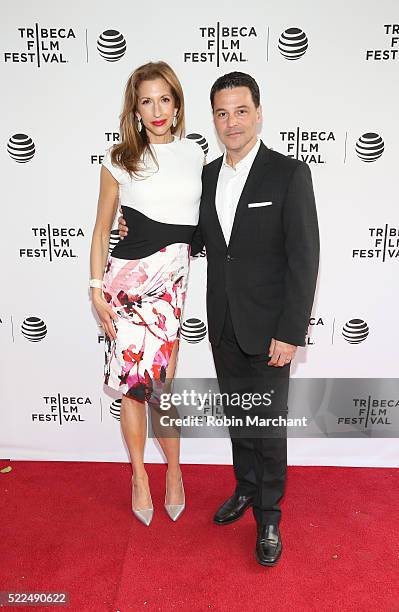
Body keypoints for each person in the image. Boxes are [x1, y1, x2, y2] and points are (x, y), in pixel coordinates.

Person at [118, 71, 319, 565]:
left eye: (241, 111)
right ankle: (246, 489)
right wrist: (133, 225)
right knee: (239, 418)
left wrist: (291, 333)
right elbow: (194, 236)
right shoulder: (206, 175)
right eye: (222, 113)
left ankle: (269, 517)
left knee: (268, 426)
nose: (232, 122)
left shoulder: (288, 173)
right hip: (223, 323)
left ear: (259, 112)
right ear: (213, 118)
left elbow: (305, 258)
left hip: (271, 328)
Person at [89, 61, 204, 526]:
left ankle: (174, 471)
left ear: (177, 106)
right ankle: (139, 474)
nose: (156, 110)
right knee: (134, 392)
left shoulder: (195, 156)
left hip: (171, 288)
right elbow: (101, 231)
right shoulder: (119, 159)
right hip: (127, 286)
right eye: (146, 101)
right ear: (135, 110)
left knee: (162, 388)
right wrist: (96, 290)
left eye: (165, 99)